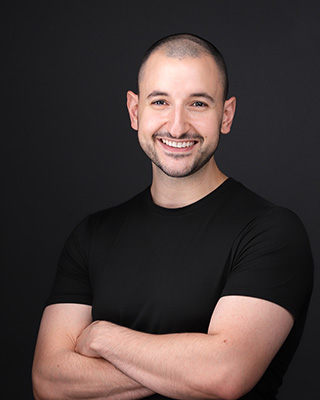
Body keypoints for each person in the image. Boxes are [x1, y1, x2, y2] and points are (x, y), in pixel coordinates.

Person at [32, 33, 313, 400]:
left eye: (198, 103)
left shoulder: (271, 232)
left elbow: (223, 374)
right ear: (135, 111)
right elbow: (49, 382)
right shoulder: (92, 235)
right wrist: (185, 365)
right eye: (160, 101)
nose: (177, 126)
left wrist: (104, 337)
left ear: (225, 115)